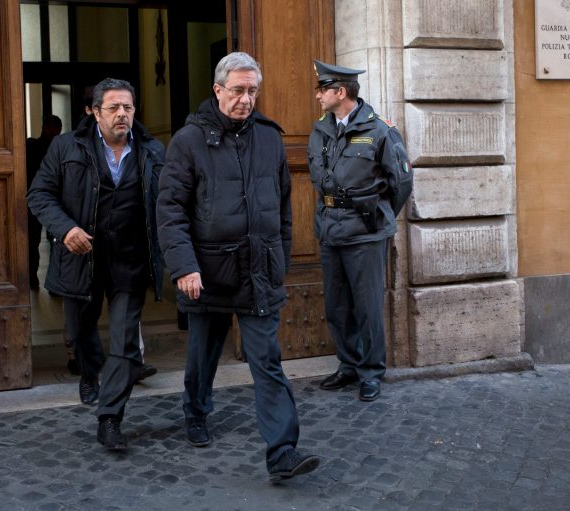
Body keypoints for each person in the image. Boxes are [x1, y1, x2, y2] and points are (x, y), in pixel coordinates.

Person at [157, 52, 320, 482]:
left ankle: (282, 451)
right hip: (207, 271)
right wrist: (184, 267)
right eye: (238, 90)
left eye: (252, 91)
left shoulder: (269, 137)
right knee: (203, 352)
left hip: (258, 269)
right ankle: (196, 410)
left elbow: (283, 206)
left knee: (267, 359)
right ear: (218, 90)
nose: (246, 99)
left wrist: (280, 257)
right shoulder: (188, 141)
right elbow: (170, 210)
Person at [28, 78, 164, 450]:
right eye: (114, 107)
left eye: (128, 107)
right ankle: (89, 372)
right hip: (80, 258)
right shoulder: (65, 146)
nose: (122, 114)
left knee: (125, 342)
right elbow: (39, 194)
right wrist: (65, 228)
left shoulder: (153, 150)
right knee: (81, 332)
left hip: (130, 261)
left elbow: (168, 201)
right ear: (94, 112)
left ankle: (110, 418)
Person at [307, 60, 413, 402]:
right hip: (330, 229)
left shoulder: (380, 130)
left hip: (365, 232)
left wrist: (378, 215)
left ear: (341, 92)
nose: (318, 95)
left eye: (323, 89)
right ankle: (349, 365)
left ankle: (371, 371)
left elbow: (401, 183)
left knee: (367, 306)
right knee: (337, 306)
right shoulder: (321, 130)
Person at [26, 115, 62, 290]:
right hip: (37, 198)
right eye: (51, 127)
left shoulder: (61, 147)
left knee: (58, 242)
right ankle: (32, 278)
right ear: (44, 128)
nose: (54, 131)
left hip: (56, 200)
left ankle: (54, 283)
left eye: (57, 128)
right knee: (33, 241)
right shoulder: (32, 145)